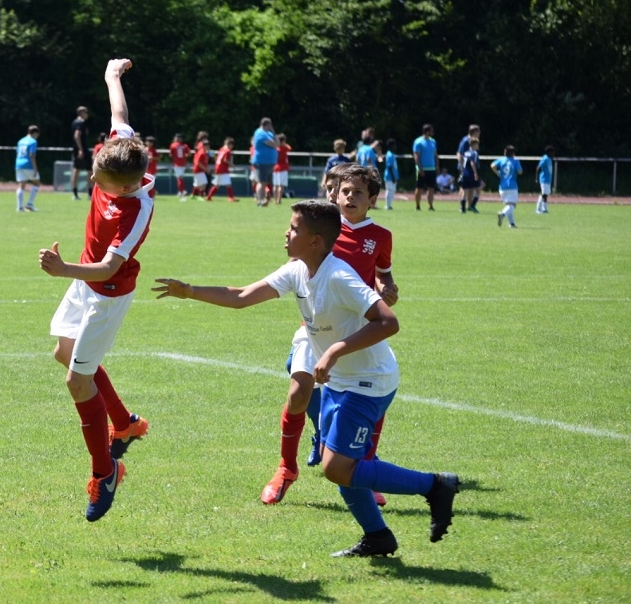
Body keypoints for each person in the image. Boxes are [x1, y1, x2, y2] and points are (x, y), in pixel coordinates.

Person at [153, 199, 459, 558]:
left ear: (315, 240)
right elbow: (241, 296)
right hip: (340, 380)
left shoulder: (339, 276)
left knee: (338, 467)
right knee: (341, 465)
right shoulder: (297, 269)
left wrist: (334, 350)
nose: (286, 233)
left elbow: (388, 322)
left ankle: (434, 486)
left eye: (294, 228)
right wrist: (190, 291)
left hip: (368, 380)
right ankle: (378, 536)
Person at [39, 58, 153, 522]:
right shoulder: (120, 152)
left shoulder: (135, 211)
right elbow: (119, 115)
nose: (92, 181)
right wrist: (111, 76)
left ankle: (105, 472)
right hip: (85, 282)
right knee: (63, 354)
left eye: (100, 182)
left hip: (105, 294)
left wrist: (63, 268)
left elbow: (108, 266)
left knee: (76, 381)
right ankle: (125, 423)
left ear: (124, 187)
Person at [261, 164, 398, 509]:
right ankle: (286, 468)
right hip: (315, 327)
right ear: (334, 194)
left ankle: (364, 467)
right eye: (344, 191)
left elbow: (382, 274)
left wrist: (386, 288)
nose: (349, 197)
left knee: (369, 388)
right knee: (298, 393)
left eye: (358, 193)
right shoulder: (323, 229)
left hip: (355, 328)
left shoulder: (380, 236)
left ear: (373, 200)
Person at [492, 145, 523, 228]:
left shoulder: (501, 160)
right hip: (512, 186)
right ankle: (502, 214)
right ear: (513, 153)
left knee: (508, 205)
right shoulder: (515, 161)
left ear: (504, 153)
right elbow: (520, 172)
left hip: (502, 187)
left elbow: (492, 165)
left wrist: (498, 173)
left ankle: (512, 224)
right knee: (512, 205)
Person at [251, 118, 279, 206]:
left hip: (269, 162)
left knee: (265, 182)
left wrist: (274, 133)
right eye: (270, 125)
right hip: (261, 162)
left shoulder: (269, 133)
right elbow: (274, 144)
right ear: (267, 125)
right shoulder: (260, 133)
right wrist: (275, 140)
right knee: (261, 182)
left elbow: (278, 144)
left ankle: (263, 200)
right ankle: (261, 200)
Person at [412, 124, 439, 210]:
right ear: (427, 131)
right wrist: (420, 168)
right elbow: (416, 156)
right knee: (419, 188)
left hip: (431, 169)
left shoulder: (433, 141)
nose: (432, 132)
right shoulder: (418, 141)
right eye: (431, 130)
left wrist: (437, 166)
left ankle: (430, 206)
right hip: (422, 169)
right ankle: (417, 205)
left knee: (431, 188)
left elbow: (435, 155)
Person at [15, 125, 41, 212]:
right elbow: (31, 155)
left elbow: (17, 153)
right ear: (35, 133)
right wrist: (35, 168)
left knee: (21, 185)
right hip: (28, 164)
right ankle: (30, 204)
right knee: (36, 183)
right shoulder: (33, 141)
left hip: (18, 164)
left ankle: (19, 207)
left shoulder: (20, 141)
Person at [206, 137, 238, 202]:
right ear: (230, 144)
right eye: (232, 145)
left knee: (217, 185)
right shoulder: (227, 151)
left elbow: (218, 158)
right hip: (223, 169)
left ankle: (209, 197)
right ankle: (231, 198)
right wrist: (232, 165)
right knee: (228, 184)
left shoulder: (221, 149)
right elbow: (225, 160)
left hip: (218, 168)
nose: (232, 147)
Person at [71, 106, 91, 200]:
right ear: (81, 113)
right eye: (86, 112)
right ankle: (90, 194)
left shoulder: (74, 122)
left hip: (76, 149)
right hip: (82, 149)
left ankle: (75, 194)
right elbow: (77, 135)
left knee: (76, 169)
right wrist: (81, 149)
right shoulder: (81, 122)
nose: (87, 114)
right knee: (89, 170)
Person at [459, 138, 481, 213]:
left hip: (464, 174)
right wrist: (475, 173)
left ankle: (463, 209)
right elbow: (472, 163)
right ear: (474, 145)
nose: (478, 146)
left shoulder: (466, 153)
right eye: (477, 144)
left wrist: (462, 172)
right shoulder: (474, 153)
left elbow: (462, 162)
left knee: (465, 191)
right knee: (478, 190)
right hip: (471, 174)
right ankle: (472, 205)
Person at [168, 133, 191, 200]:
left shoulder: (173, 145)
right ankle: (182, 191)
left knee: (179, 178)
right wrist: (185, 155)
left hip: (177, 164)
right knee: (180, 178)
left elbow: (171, 154)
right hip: (182, 163)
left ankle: (181, 191)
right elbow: (189, 154)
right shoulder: (184, 145)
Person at [380, 139, 399, 209]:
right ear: (391, 146)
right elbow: (390, 166)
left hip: (392, 176)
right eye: (394, 145)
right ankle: (387, 205)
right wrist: (393, 177)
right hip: (389, 176)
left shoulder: (392, 154)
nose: (395, 146)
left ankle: (389, 205)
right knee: (389, 190)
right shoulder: (390, 155)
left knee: (392, 190)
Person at [273, 134, 292, 204]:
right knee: (281, 185)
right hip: (283, 168)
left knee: (275, 185)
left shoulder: (275, 148)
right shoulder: (284, 148)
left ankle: (275, 200)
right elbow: (289, 148)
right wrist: (284, 143)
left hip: (275, 168)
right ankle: (279, 200)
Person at [536, 145, 554, 214]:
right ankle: (539, 209)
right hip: (544, 179)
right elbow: (538, 168)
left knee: (545, 194)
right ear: (549, 152)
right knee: (543, 194)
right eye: (552, 152)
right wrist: (536, 178)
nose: (553, 154)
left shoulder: (549, 159)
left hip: (548, 179)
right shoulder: (545, 159)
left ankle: (543, 209)